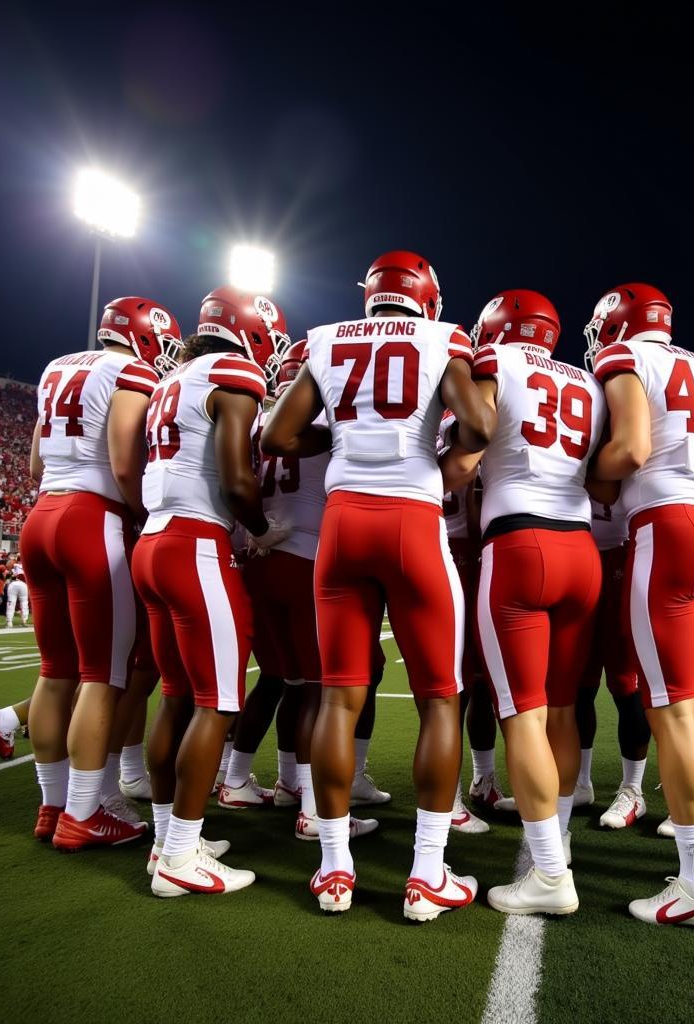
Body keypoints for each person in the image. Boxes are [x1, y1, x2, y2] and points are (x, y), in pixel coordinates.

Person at [262, 250, 494, 919]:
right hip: (412, 521)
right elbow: (478, 424)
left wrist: (343, 439)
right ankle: (426, 873)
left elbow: (279, 433)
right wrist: (430, 460)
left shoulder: (326, 339)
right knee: (439, 700)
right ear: (427, 297)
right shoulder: (441, 338)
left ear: (370, 295)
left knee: (337, 698)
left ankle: (334, 870)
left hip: (341, 524)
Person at [588, 283, 694, 927]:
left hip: (669, 530)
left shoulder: (627, 357)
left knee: (673, 712)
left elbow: (629, 449)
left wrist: (583, 478)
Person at [440, 290, 603, 915]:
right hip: (580, 545)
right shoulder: (586, 382)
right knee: (561, 707)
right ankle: (554, 842)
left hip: (519, 543)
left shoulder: (494, 364)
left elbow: (471, 448)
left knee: (523, 714)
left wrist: (430, 481)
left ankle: (551, 877)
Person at [133, 286, 292, 896]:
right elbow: (235, 479)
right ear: (250, 331)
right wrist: (259, 529)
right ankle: (179, 858)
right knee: (217, 701)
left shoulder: (175, 377)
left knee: (176, 696)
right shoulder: (235, 372)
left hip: (153, 540)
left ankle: (168, 839)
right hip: (195, 542)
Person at [23, 296, 179, 850]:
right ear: (146, 336)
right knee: (101, 674)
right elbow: (120, 462)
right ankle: (85, 813)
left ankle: (53, 804)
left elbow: (36, 465)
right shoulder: (129, 369)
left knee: (54, 669)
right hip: (92, 520)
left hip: (40, 516)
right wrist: (145, 509)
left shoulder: (56, 367)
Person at [238, 339, 379, 843]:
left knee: (290, 683)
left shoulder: (256, 424)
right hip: (306, 560)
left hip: (260, 557)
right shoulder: (326, 429)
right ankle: (315, 811)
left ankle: (285, 784)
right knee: (323, 690)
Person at [437, 412, 516, 834]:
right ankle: (444, 795)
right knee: (456, 683)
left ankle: (482, 779)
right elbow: (471, 500)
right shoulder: (464, 425)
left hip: (454, 544)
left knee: (479, 679)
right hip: (459, 548)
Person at [573, 496, 653, 831]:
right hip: (576, 554)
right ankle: (580, 781)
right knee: (579, 685)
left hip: (622, 553)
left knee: (625, 683)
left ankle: (633, 788)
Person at [5, 560, 29, 626]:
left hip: (13, 584)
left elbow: (7, 577)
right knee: (24, 603)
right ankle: (24, 620)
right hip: (23, 585)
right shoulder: (22, 566)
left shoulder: (11, 567)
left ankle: (9, 621)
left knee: (11, 603)